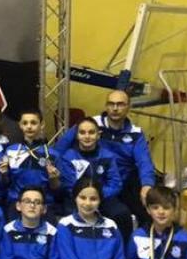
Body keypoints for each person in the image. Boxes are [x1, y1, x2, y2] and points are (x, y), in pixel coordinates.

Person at [56, 90, 156, 226]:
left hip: (119, 185)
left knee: (136, 210)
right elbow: (59, 150)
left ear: (128, 107)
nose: (115, 108)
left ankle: (142, 237)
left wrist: (147, 185)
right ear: (106, 106)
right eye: (111, 104)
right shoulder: (90, 125)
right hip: (85, 183)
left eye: (120, 104)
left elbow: (144, 162)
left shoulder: (136, 133)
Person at [57, 117, 133, 244]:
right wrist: (86, 198)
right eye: (82, 132)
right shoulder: (69, 157)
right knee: (72, 220)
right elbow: (69, 186)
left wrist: (97, 197)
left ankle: (122, 251)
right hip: (76, 200)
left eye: (91, 132)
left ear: (98, 135)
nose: (87, 136)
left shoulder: (107, 156)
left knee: (122, 214)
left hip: (104, 198)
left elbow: (115, 184)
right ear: (77, 136)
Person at [0, 108, 62, 222]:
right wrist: (3, 174)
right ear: (20, 125)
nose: (29, 126)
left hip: (43, 206)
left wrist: (54, 179)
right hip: (16, 206)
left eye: (33, 123)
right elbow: (5, 184)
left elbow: (57, 189)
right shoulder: (11, 151)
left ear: (42, 125)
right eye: (25, 123)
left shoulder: (52, 154)